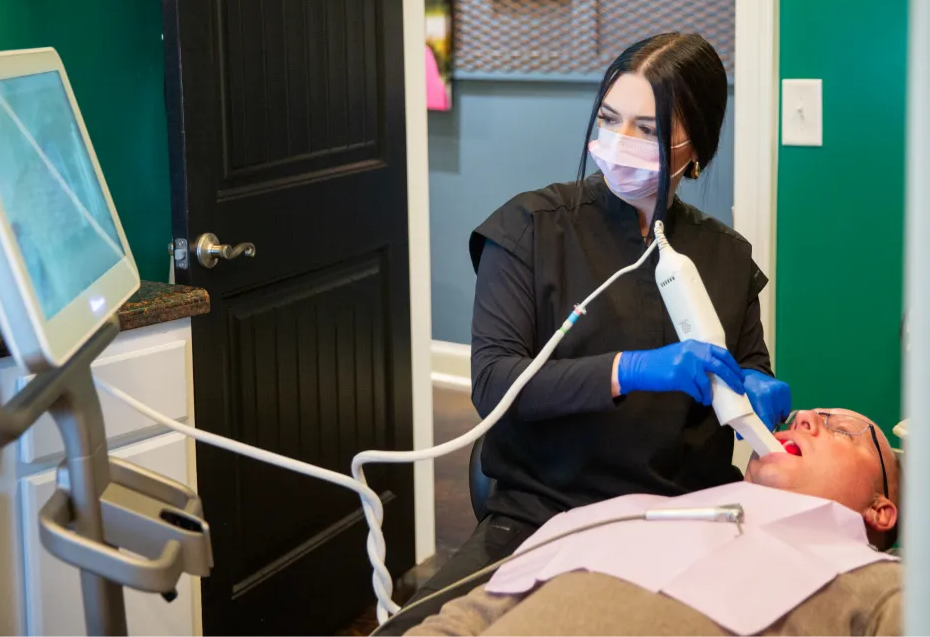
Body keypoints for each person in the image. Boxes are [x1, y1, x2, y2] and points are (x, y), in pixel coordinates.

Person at [373, 33, 790, 636]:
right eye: (609, 119)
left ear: (694, 145)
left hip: (682, 520)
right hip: (541, 515)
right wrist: (631, 369)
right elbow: (493, 384)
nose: (620, 141)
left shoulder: (724, 258)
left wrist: (761, 391)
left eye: (647, 129)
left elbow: (751, 369)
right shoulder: (529, 231)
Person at [404, 408, 902, 636]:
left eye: (843, 431)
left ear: (880, 510)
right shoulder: (636, 513)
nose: (803, 421)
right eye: (797, 419)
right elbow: (468, 619)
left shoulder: (873, 578)